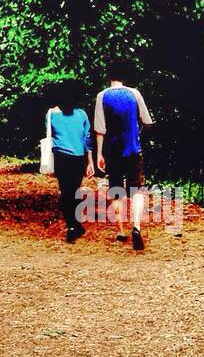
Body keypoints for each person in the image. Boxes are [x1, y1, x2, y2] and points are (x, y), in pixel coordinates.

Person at [93, 61, 154, 251]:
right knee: (137, 190)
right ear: (124, 76)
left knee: (116, 189)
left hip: (113, 151)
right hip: (133, 149)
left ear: (108, 76)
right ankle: (136, 226)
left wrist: (99, 154)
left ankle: (120, 229)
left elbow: (100, 129)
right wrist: (137, 133)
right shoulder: (134, 94)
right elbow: (146, 120)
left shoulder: (102, 96)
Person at [46, 88, 94, 242]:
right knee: (74, 190)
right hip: (78, 158)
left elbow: (49, 133)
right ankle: (74, 224)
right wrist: (90, 161)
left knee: (65, 191)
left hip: (60, 157)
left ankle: (73, 225)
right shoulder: (81, 114)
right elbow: (87, 139)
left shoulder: (51, 114)